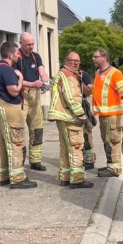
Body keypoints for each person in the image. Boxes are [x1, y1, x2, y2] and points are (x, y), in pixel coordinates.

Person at [0, 41, 38, 189]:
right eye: (17, 53)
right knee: (16, 143)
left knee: (1, 143)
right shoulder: (6, 70)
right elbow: (13, 91)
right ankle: (18, 178)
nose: (19, 56)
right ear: (10, 55)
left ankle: (2, 176)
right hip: (10, 108)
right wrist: (21, 79)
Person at [49, 52, 94, 189]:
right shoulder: (68, 76)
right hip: (70, 117)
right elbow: (72, 97)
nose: (76, 63)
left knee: (65, 147)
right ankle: (77, 179)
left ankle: (66, 177)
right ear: (66, 61)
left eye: (78, 61)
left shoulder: (62, 74)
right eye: (73, 61)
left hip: (62, 116)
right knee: (76, 147)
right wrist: (82, 115)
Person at [15, 32, 49, 171]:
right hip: (22, 96)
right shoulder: (16, 57)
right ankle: (19, 160)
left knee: (37, 128)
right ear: (20, 43)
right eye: (28, 44)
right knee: (18, 129)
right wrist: (32, 84)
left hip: (35, 96)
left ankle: (35, 160)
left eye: (32, 44)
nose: (31, 47)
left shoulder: (36, 57)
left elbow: (42, 71)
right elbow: (14, 80)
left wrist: (44, 80)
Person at [91, 49, 123, 177]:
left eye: (95, 56)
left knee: (112, 141)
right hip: (104, 115)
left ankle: (114, 169)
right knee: (107, 141)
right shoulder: (98, 72)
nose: (93, 59)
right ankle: (110, 165)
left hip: (112, 115)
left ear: (104, 58)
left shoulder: (115, 73)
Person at [79, 67, 96, 171]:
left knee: (87, 135)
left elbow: (89, 92)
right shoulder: (64, 74)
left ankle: (89, 161)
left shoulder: (83, 74)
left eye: (77, 61)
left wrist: (79, 82)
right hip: (68, 110)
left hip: (82, 109)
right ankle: (78, 159)